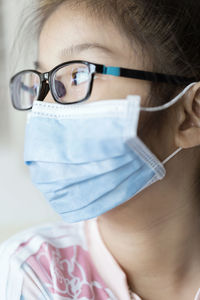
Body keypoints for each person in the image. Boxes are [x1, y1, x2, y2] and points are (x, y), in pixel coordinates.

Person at [1, 0, 200, 299]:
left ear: (190, 115)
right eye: (44, 82)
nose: (44, 108)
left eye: (78, 76)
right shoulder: (34, 273)